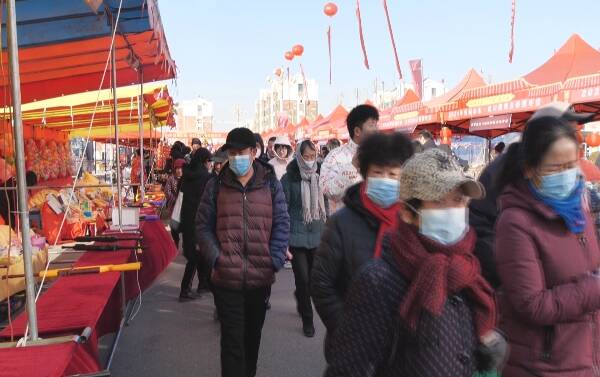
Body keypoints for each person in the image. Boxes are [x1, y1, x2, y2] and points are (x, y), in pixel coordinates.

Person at [324, 148, 506, 377]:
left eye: (459, 201)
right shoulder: (378, 282)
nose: (453, 211)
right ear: (408, 213)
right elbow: (349, 369)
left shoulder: (467, 269)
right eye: (439, 202)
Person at [494, 115, 600, 377]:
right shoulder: (515, 222)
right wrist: (595, 288)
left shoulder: (578, 210)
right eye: (555, 168)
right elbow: (532, 304)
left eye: (570, 165)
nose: (567, 175)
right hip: (542, 365)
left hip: (585, 357)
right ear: (530, 169)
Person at [196, 127, 289, 377]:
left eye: (242, 152)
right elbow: (202, 227)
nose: (237, 157)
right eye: (232, 153)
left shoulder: (269, 183)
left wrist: (275, 258)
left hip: (260, 277)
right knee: (232, 342)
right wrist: (217, 258)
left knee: (252, 339)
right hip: (226, 278)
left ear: (254, 152)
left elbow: (282, 222)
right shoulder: (215, 185)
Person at [312, 133, 414, 335]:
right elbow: (321, 283)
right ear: (365, 175)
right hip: (353, 337)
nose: (385, 179)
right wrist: (346, 328)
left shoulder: (413, 221)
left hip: (403, 344)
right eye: (377, 173)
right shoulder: (341, 223)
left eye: (393, 174)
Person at [281, 139, 327, 338]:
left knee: (313, 280)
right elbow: (282, 209)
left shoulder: (320, 176)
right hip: (296, 236)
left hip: (316, 234)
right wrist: (282, 237)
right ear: (299, 156)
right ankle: (307, 319)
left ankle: (301, 297)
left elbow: (324, 205)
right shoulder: (288, 179)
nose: (309, 161)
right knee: (303, 277)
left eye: (312, 156)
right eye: (305, 157)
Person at [320, 104, 379, 213]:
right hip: (345, 226)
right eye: (372, 125)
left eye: (376, 125)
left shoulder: (383, 155)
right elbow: (328, 190)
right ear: (357, 131)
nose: (376, 130)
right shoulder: (335, 157)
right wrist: (352, 167)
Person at [178, 147, 213, 301]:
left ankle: (203, 284)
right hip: (200, 221)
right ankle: (185, 290)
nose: (210, 164)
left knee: (198, 255)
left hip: (186, 220)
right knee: (195, 256)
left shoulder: (186, 175)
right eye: (209, 161)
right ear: (205, 161)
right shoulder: (206, 177)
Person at [165, 158, 185, 246]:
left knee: (185, 227)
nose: (179, 170)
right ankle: (176, 242)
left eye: (181, 168)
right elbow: (167, 192)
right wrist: (176, 200)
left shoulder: (187, 179)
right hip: (173, 207)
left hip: (185, 208)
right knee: (174, 227)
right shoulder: (171, 179)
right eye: (177, 168)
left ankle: (185, 244)